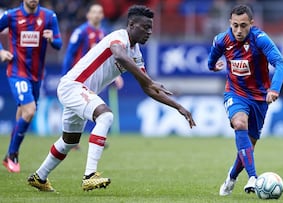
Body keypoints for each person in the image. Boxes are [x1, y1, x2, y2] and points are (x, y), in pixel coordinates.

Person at [27, 5, 196, 192]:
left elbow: (149, 88)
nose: (149, 32)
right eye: (145, 27)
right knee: (106, 116)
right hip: (73, 87)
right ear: (131, 25)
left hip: (81, 92)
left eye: (151, 28)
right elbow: (120, 56)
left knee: (69, 141)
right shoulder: (118, 38)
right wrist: (149, 80)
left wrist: (178, 106)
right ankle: (89, 175)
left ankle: (39, 177)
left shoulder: (135, 52)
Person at [207, 4, 283, 196]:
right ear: (230, 23)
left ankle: (231, 177)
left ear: (251, 23)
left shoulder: (260, 39)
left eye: (243, 25)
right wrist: (213, 66)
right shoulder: (222, 40)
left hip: (260, 98)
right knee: (239, 123)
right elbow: (211, 60)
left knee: (248, 147)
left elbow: (280, 63)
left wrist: (274, 89)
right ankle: (253, 177)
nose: (238, 30)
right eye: (235, 25)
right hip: (235, 93)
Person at [0, 0, 62, 173]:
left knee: (23, 113)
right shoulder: (11, 16)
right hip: (16, 72)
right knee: (30, 110)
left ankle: (8, 156)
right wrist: (1, 51)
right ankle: (12, 154)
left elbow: (59, 44)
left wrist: (52, 39)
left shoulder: (49, 16)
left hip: (37, 75)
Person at [62, 3, 122, 150]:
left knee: (92, 109)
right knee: (80, 109)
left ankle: (91, 137)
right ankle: (71, 140)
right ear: (88, 15)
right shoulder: (81, 32)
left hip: (94, 77)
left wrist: (116, 76)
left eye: (99, 12)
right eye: (93, 12)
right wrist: (65, 74)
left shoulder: (103, 33)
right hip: (79, 78)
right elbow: (69, 54)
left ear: (102, 16)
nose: (96, 15)